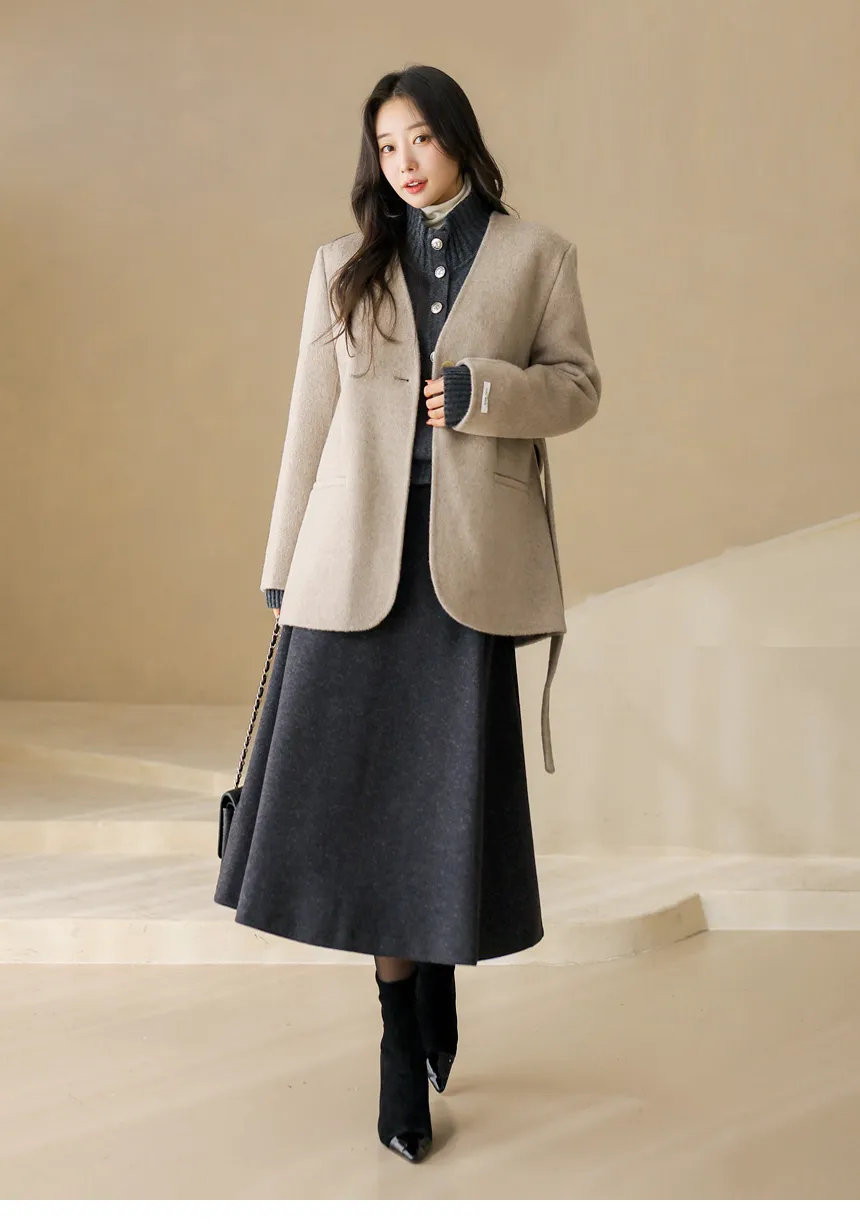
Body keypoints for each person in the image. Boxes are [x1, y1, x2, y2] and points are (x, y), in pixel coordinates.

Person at [214, 63, 602, 1165]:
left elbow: (577, 387)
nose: (404, 162)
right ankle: (399, 1038)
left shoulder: (536, 256)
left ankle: (432, 981)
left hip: (465, 572)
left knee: (436, 810)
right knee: (367, 815)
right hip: (347, 573)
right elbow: (309, 423)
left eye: (419, 138)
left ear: (458, 137)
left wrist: (486, 392)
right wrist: (283, 568)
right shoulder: (341, 267)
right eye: (386, 147)